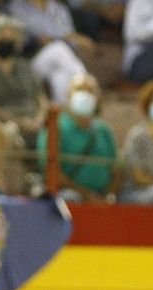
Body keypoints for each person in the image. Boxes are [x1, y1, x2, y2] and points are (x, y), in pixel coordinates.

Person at [36, 72, 116, 201]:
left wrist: (109, 195)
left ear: (98, 98)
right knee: (70, 197)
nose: (85, 95)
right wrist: (87, 195)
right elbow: (50, 170)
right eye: (79, 90)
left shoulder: (103, 130)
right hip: (68, 193)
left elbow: (116, 168)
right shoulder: (55, 127)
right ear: (68, 96)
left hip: (102, 196)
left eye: (90, 91)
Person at [7, 0, 92, 104]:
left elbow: (74, 42)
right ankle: (86, 86)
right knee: (58, 48)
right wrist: (67, 37)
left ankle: (62, 114)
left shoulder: (58, 8)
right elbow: (38, 34)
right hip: (29, 63)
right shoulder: (16, 6)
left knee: (59, 78)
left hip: (58, 60)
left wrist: (65, 38)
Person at [0, 16, 47, 148]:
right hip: (6, 123)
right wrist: (20, 122)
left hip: (35, 122)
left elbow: (42, 100)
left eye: (12, 37)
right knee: (10, 133)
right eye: (3, 36)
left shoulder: (26, 66)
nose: (8, 40)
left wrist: (38, 120)